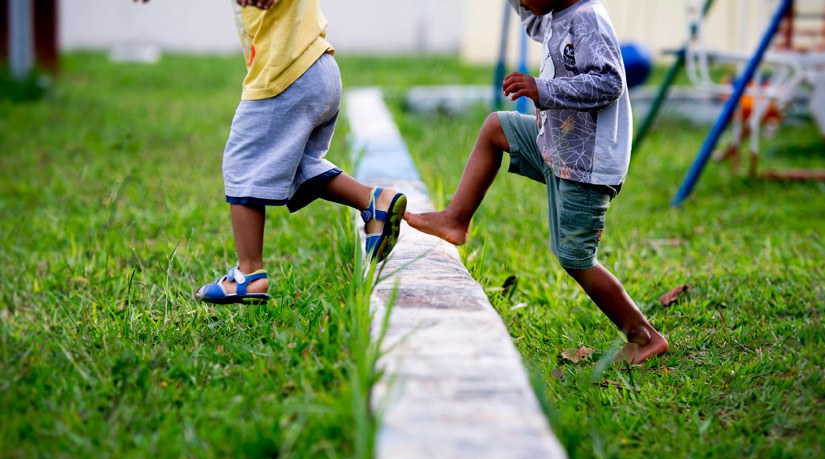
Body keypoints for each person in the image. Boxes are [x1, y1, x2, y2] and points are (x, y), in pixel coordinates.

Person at [405, 0, 668, 364]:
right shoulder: (555, 13)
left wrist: (541, 89)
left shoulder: (587, 17)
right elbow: (532, 19)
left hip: (587, 164)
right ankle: (455, 220)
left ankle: (645, 337)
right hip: (556, 143)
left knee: (576, 258)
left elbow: (609, 82)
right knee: (496, 127)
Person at [134, 0, 407, 305]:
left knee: (244, 163)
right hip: (319, 69)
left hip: (284, 75)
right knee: (296, 164)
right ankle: (372, 200)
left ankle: (249, 275)